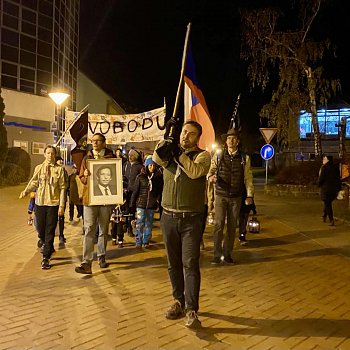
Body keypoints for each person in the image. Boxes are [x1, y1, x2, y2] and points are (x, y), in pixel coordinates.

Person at [153, 120, 211, 329]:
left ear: (198, 138)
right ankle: (178, 300)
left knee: (190, 263)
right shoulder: (170, 151)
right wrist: (166, 136)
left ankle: (192, 309)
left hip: (191, 219)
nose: (186, 136)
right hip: (168, 217)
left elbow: (195, 172)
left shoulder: (203, 156)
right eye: (184, 132)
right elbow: (156, 158)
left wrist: (179, 154)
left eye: (191, 134)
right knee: (173, 263)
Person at [208, 128, 254, 265]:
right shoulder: (218, 155)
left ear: (238, 141)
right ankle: (216, 255)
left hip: (236, 196)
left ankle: (227, 254)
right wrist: (211, 177)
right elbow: (210, 171)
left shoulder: (244, 158)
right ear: (226, 140)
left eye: (233, 138)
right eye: (229, 138)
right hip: (221, 195)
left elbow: (248, 178)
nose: (231, 140)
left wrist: (250, 195)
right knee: (218, 225)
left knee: (232, 226)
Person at [75, 133, 116, 274]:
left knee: (103, 229)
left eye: (98, 141)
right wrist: (85, 176)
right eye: (93, 141)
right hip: (90, 199)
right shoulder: (87, 158)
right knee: (89, 229)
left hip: (105, 199)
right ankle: (86, 262)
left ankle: (101, 255)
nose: (95, 143)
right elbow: (81, 177)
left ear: (104, 143)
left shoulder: (112, 158)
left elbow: (115, 177)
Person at [19, 145, 66, 269]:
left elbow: (62, 188)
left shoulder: (59, 170)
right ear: (44, 154)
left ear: (55, 155)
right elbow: (34, 182)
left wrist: (61, 205)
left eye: (52, 153)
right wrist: (26, 191)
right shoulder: (38, 168)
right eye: (48, 153)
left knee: (50, 229)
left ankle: (46, 257)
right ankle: (46, 243)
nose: (50, 155)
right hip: (39, 203)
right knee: (40, 227)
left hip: (53, 203)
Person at [130, 155, 163, 248]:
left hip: (151, 206)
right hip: (141, 204)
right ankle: (138, 240)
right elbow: (135, 193)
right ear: (146, 166)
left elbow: (159, 192)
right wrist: (132, 207)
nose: (152, 167)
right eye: (150, 165)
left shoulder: (157, 178)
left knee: (149, 223)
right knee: (140, 223)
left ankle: (146, 241)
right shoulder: (140, 177)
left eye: (153, 165)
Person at [123, 148, 143, 236]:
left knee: (132, 210)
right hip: (126, 191)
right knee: (126, 209)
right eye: (129, 155)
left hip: (135, 192)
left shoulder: (139, 167)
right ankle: (126, 226)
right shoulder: (126, 165)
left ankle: (131, 227)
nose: (130, 157)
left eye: (132, 155)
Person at [318, 154, 341, 226]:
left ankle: (331, 220)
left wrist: (318, 184)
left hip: (326, 189)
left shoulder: (324, 167)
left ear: (328, 160)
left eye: (324, 159)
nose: (323, 160)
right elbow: (338, 178)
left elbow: (321, 178)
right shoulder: (335, 167)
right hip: (333, 189)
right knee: (327, 202)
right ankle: (324, 216)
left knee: (327, 204)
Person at [56, 156, 69, 244]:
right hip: (52, 199)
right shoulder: (52, 169)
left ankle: (61, 234)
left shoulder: (64, 171)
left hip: (62, 198)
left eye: (61, 160)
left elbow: (66, 183)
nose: (61, 161)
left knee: (61, 217)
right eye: (59, 160)